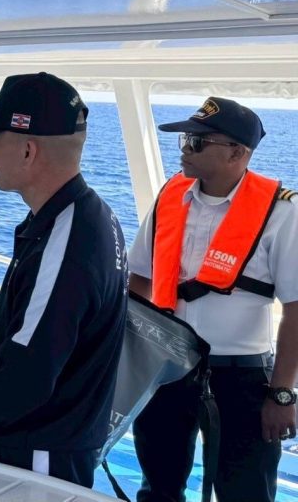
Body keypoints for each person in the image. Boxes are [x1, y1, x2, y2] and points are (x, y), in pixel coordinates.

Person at [0, 72, 127, 488]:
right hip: (40, 443)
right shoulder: (72, 218)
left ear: (28, 150)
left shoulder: (67, 240)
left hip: (40, 453)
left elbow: (28, 377)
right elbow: (13, 327)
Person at [127, 97, 297, 502]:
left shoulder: (282, 213)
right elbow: (140, 280)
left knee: (245, 493)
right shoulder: (170, 195)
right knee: (158, 488)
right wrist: (130, 363)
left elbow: (296, 309)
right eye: (186, 139)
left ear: (237, 152)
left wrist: (282, 393)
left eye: (198, 141)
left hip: (241, 378)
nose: (186, 149)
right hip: (166, 367)